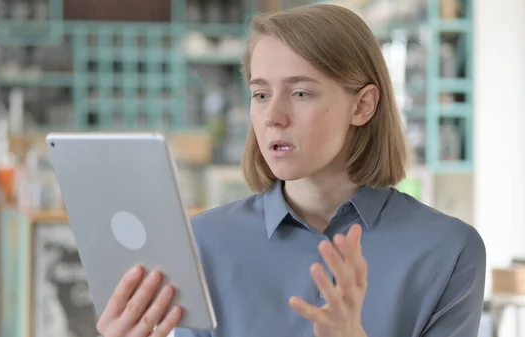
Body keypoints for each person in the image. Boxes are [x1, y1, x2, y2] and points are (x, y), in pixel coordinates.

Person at [95, 4, 487, 337]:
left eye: (300, 93)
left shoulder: (449, 251)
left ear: (363, 106)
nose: (273, 117)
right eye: (261, 94)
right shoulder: (201, 244)